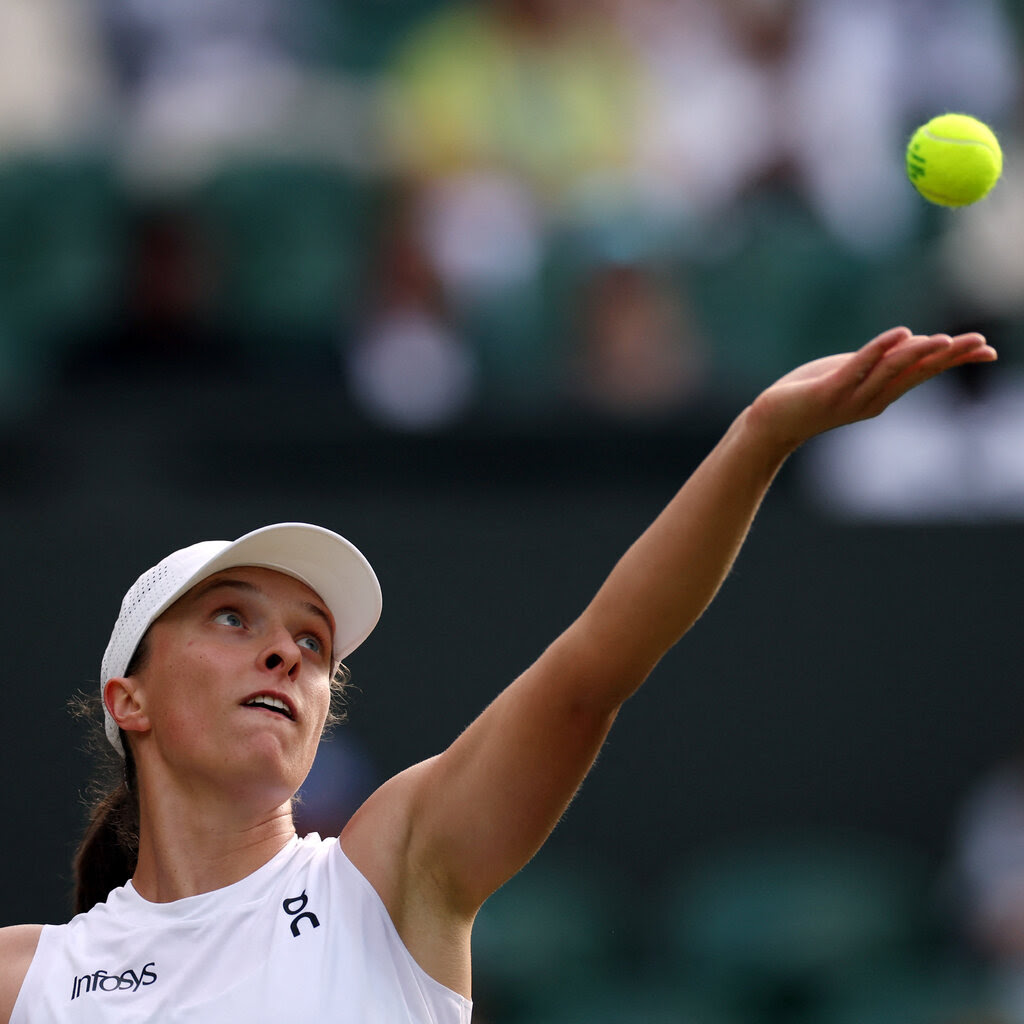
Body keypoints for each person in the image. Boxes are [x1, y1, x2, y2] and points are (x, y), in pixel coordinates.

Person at [0, 326, 996, 1021]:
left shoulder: (388, 875)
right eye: (232, 617)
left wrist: (755, 439)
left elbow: (590, 672)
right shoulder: (25, 976)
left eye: (312, 641)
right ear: (126, 699)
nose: (285, 653)